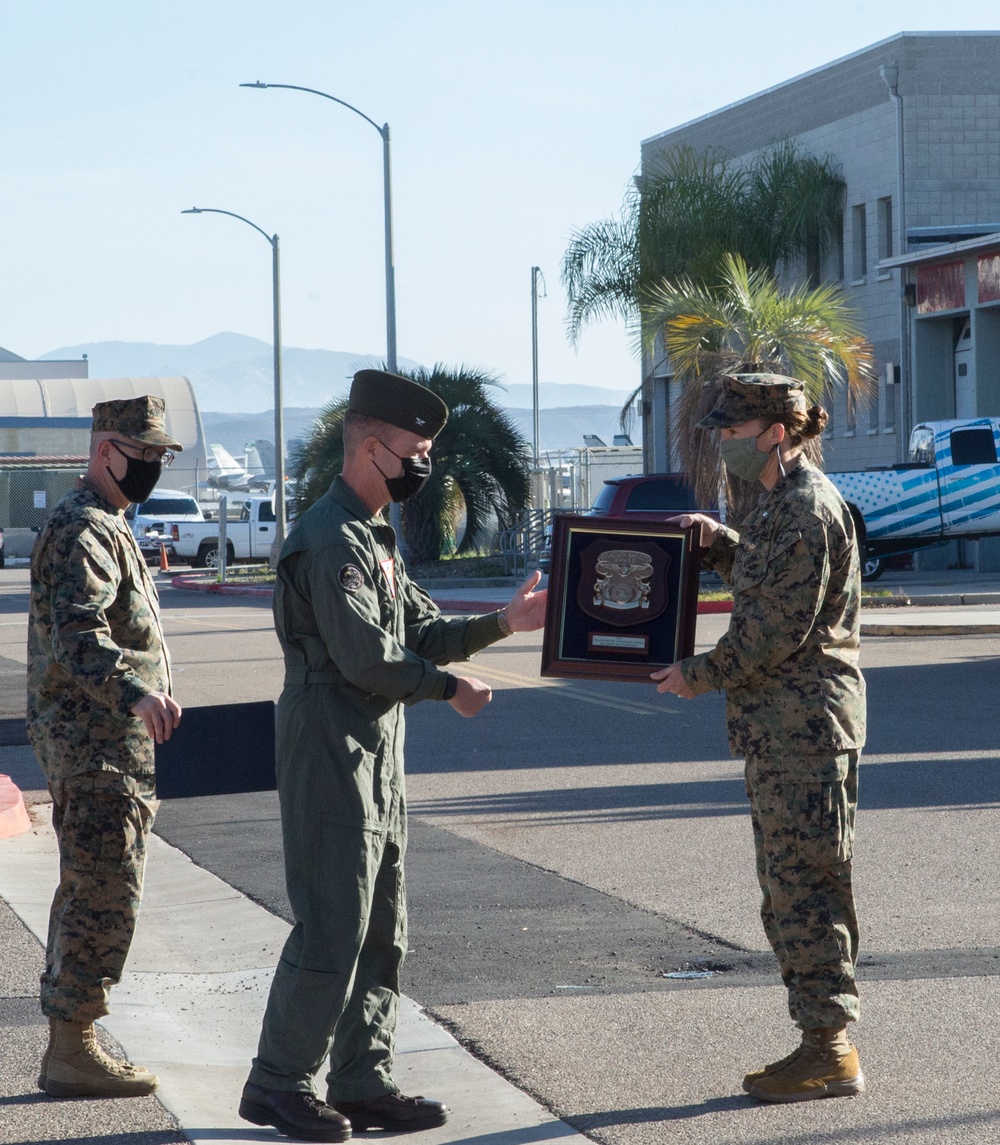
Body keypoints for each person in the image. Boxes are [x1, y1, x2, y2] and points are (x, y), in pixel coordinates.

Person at [240, 369, 548, 1143]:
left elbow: (421, 629)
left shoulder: (374, 536)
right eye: (417, 451)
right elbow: (367, 659)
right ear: (372, 448)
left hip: (375, 752)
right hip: (329, 747)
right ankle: (277, 1081)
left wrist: (503, 621)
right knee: (331, 928)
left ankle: (363, 1079)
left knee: (382, 929)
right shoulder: (329, 536)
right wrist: (450, 689)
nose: (426, 466)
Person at [651, 373, 866, 1104]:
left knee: (809, 891)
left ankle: (830, 1048)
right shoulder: (779, 504)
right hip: (782, 734)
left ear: (776, 431)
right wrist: (718, 545)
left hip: (805, 732)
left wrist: (698, 673)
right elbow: (765, 577)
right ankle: (818, 1041)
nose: (724, 444)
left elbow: (776, 628)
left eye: (733, 433)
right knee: (786, 891)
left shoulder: (806, 509)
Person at [27, 395, 183, 1099]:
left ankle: (75, 1036)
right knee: (100, 890)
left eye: (159, 457)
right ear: (103, 449)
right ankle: (73, 1046)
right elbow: (79, 633)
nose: (150, 466)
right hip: (93, 747)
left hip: (111, 747)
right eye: (141, 453)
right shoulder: (81, 529)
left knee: (101, 884)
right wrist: (136, 693)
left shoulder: (108, 523)